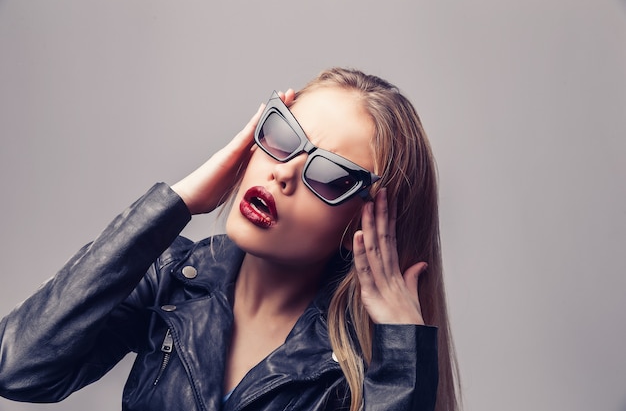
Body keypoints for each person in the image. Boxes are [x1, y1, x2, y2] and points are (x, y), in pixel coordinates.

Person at [0, 68, 460, 411]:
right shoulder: (174, 279)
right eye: (281, 135)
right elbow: (20, 368)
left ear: (359, 228)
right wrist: (173, 204)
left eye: (331, 175)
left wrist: (403, 356)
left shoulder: (362, 364)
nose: (283, 173)